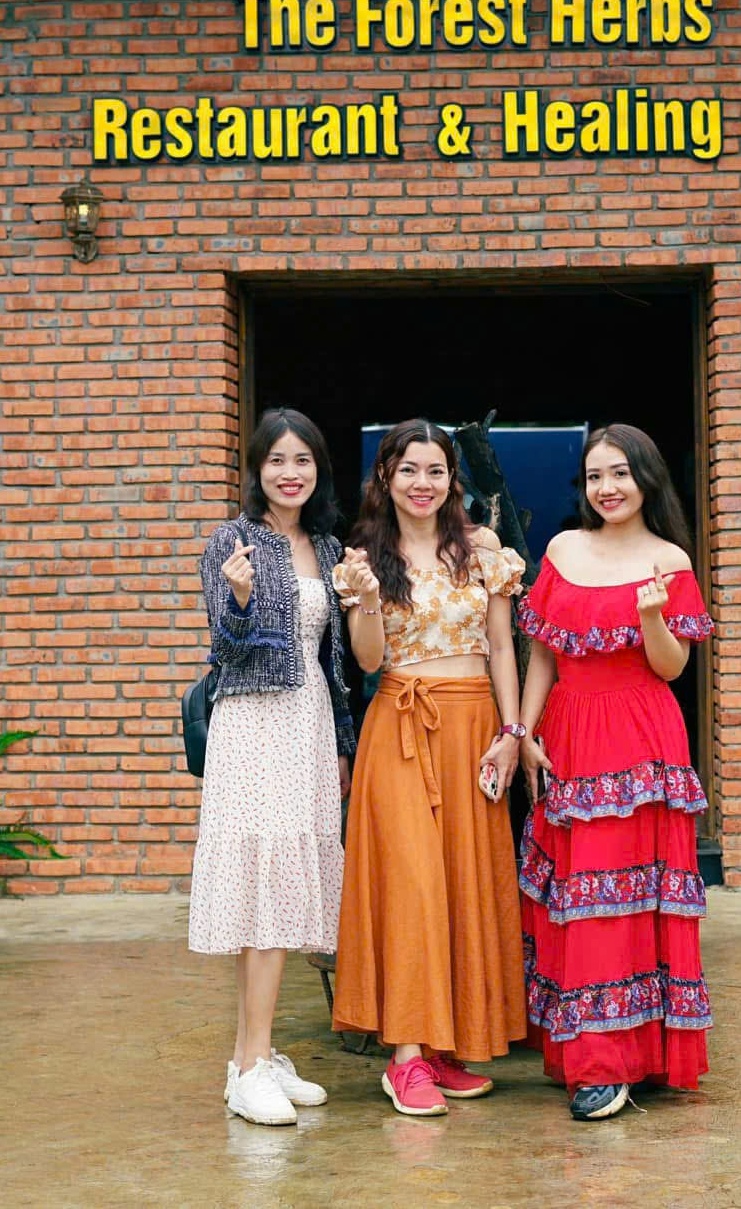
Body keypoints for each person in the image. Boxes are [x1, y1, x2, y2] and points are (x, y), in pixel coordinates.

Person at [513, 423, 714, 1120]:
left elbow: (671, 667)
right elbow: (543, 651)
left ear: (646, 479)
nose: (607, 487)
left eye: (620, 473)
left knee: (627, 895)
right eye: (596, 475)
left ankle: (612, 1063)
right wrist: (524, 732)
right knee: (582, 896)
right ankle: (593, 1051)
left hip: (641, 737)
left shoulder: (669, 559)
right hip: (570, 731)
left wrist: (653, 617)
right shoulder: (563, 549)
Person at [330, 419, 529, 1117]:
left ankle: (444, 1049)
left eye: (435, 470)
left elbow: (501, 648)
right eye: (408, 469)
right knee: (412, 884)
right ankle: (407, 1057)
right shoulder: (364, 557)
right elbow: (368, 660)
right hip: (401, 724)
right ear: (386, 476)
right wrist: (362, 599)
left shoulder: (484, 551)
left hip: (474, 727)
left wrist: (512, 733)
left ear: (452, 478)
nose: (423, 483)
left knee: (461, 884)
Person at [193, 408, 356, 1128]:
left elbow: (337, 661)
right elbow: (225, 650)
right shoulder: (231, 541)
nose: (291, 473)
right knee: (264, 886)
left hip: (309, 721)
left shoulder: (327, 545)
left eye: (303, 460)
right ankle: (252, 1065)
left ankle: (250, 1059)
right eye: (277, 461)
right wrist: (237, 601)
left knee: (285, 885)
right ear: (256, 469)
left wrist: (342, 744)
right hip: (254, 723)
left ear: (318, 469)